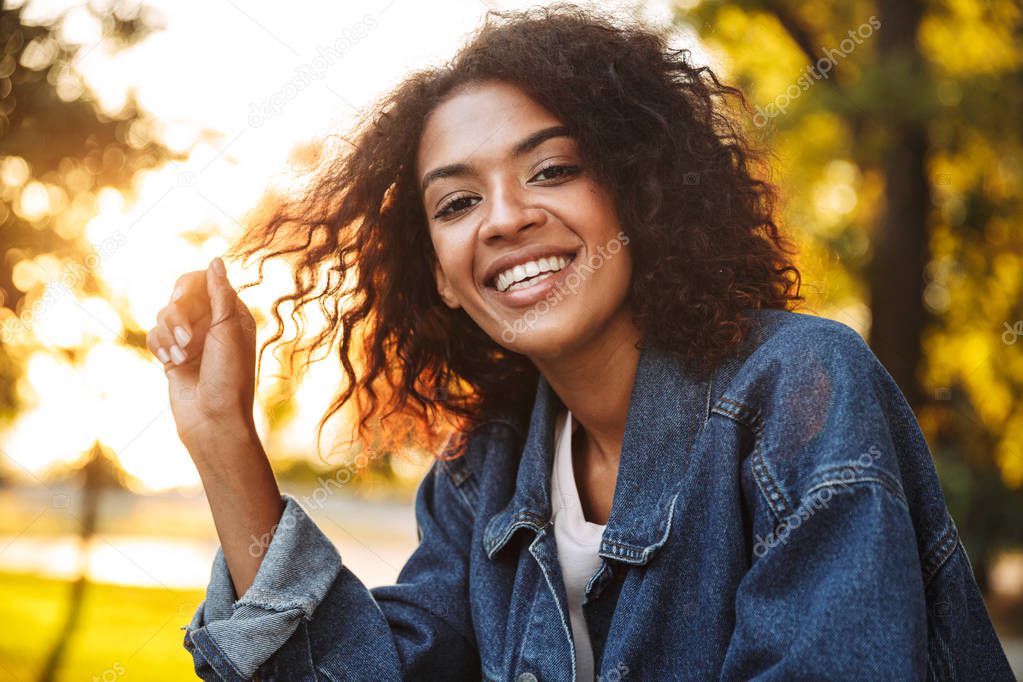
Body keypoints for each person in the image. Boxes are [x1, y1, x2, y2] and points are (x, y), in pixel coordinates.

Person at [146, 4, 1015, 680]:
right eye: (456, 203)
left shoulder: (800, 388)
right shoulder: (479, 472)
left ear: (636, 193)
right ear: (441, 277)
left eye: (551, 169)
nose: (507, 218)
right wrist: (221, 433)